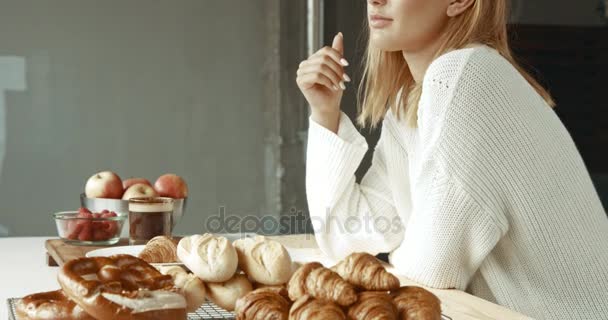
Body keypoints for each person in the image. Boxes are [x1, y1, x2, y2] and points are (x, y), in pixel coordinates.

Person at [296, 0, 608, 318]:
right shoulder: (408, 105)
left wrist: (390, 261)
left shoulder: (468, 76)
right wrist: (324, 112)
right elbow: (346, 236)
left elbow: (432, 270)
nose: (375, 0)